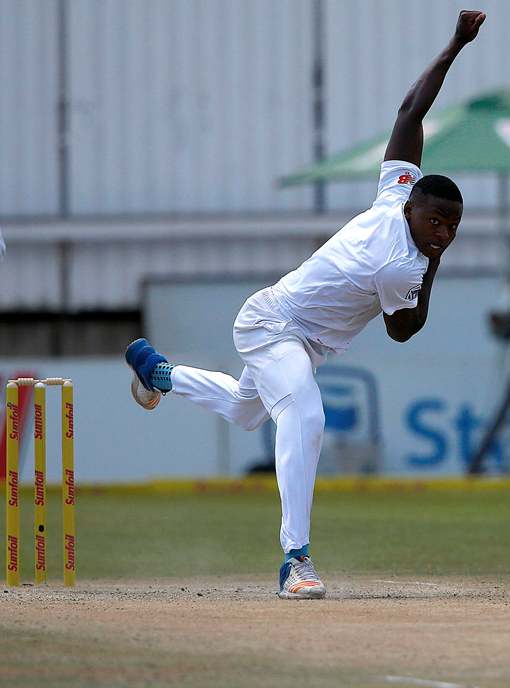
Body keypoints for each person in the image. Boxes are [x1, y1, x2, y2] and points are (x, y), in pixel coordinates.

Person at [124, 10, 486, 599]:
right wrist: (435, 265)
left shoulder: (395, 192)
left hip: (304, 337)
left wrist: (454, 46)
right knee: (306, 416)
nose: (443, 232)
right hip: (273, 323)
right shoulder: (402, 262)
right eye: (436, 221)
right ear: (412, 208)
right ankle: (295, 559)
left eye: (452, 226)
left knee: (247, 411)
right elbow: (403, 330)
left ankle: (159, 373)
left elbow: (410, 113)